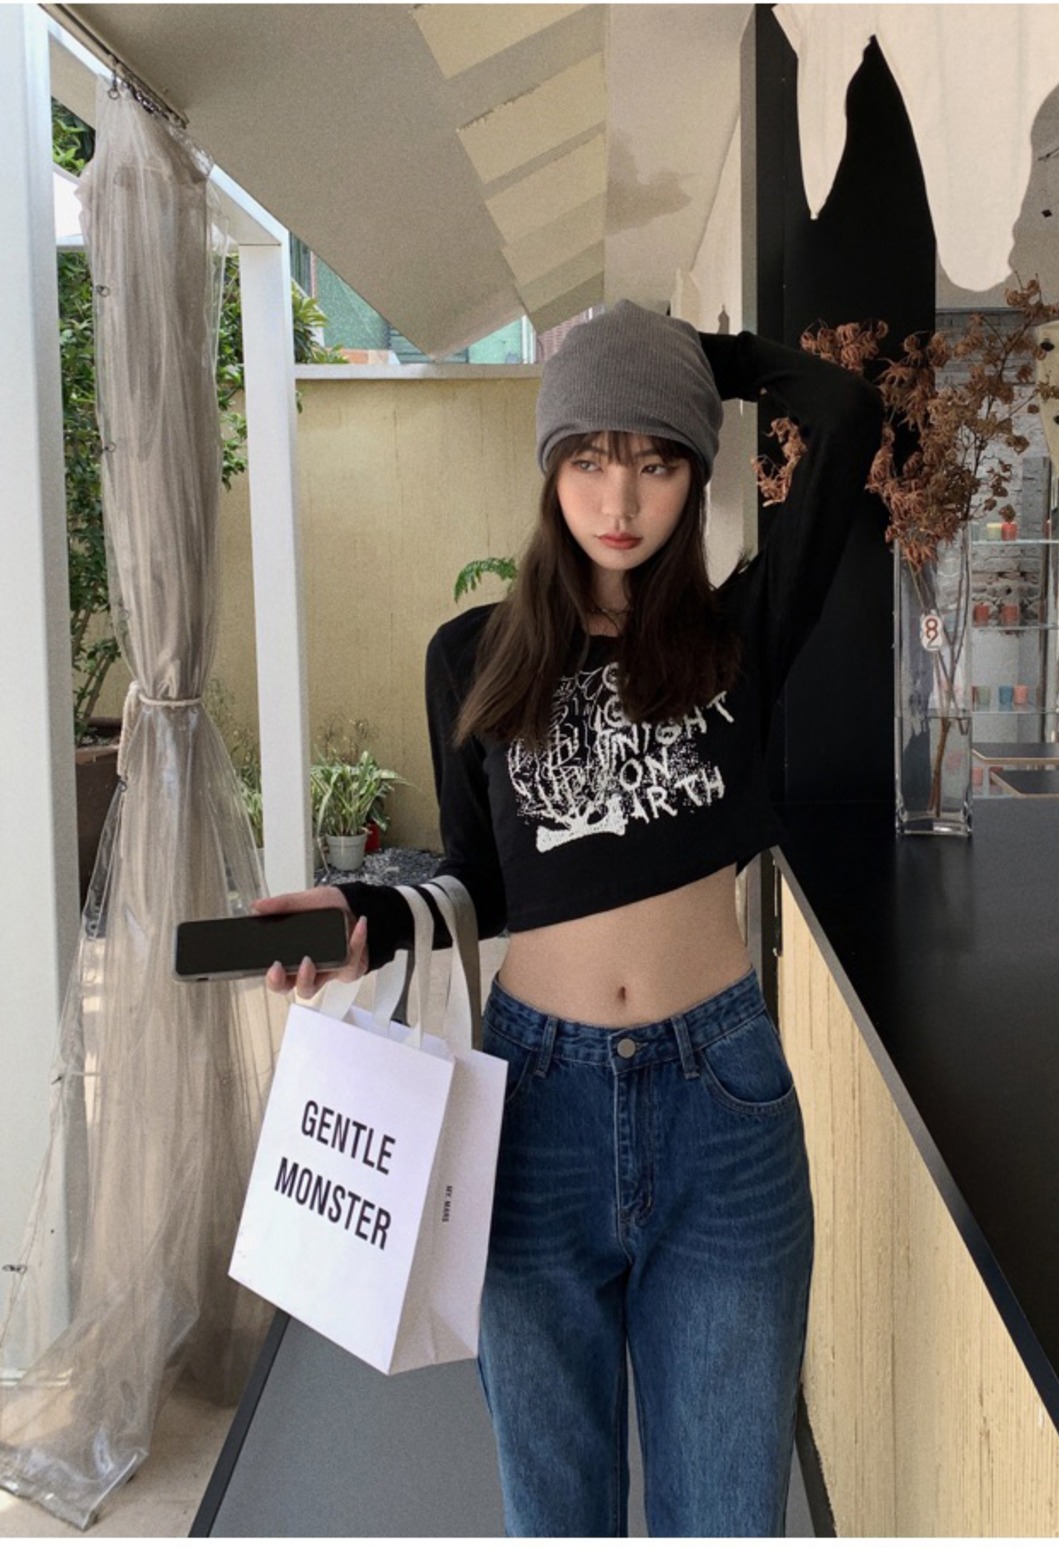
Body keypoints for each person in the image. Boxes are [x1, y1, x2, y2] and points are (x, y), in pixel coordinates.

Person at [257, 300, 883, 1536]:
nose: (620, 496)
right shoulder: (473, 655)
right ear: (548, 468)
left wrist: (693, 363)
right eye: (589, 456)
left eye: (657, 461)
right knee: (556, 1512)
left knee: (728, 1512)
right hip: (532, 1111)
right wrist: (363, 910)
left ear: (694, 475)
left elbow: (846, 411)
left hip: (722, 1106)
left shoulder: (737, 636)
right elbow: (482, 882)